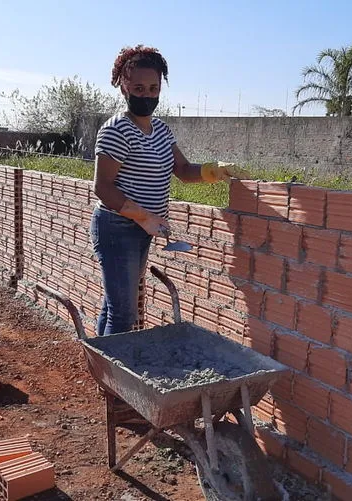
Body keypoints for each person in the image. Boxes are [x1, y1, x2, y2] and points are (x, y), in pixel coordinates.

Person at [91, 44, 244, 336]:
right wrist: (143, 216)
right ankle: (113, 376)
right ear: (123, 87)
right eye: (138, 87)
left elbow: (183, 171)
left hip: (141, 228)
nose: (146, 95)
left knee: (115, 306)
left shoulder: (160, 130)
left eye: (153, 88)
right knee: (123, 313)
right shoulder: (115, 130)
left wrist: (215, 170)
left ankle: (101, 365)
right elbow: (102, 187)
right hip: (117, 228)